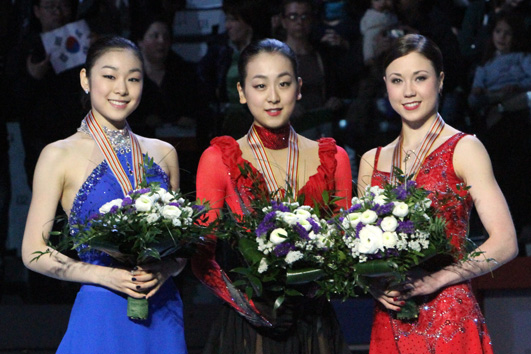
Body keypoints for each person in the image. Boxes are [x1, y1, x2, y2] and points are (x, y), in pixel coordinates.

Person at [21, 36, 188, 353]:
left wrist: (167, 269)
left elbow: (179, 248)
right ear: (86, 79)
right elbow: (32, 251)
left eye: (133, 78)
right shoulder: (59, 154)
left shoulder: (164, 152)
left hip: (162, 308)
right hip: (102, 309)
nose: (122, 88)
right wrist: (104, 275)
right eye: (109, 76)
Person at [357, 34, 518, 353]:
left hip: (448, 316)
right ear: (386, 85)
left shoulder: (464, 148)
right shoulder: (370, 161)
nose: (408, 91)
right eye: (397, 80)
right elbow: (361, 250)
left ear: (440, 80)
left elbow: (505, 242)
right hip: (391, 318)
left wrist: (438, 278)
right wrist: (373, 284)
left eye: (420, 78)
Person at [192, 38, 353, 354]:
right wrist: (251, 306)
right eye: (260, 85)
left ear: (299, 86)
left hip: (314, 326)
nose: (273, 97)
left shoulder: (335, 158)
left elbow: (344, 250)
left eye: (284, 83)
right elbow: (202, 256)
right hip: (248, 329)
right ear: (241, 92)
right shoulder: (218, 158)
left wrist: (311, 292)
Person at [467, 10, 531, 246]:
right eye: (498, 31)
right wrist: (493, 96)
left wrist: (511, 93)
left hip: (519, 119)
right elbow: (474, 98)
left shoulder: (522, 58)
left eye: (508, 33)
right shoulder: (486, 65)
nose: (502, 37)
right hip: (492, 121)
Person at [280, 0, 344, 139]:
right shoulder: (275, 56)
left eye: (304, 17)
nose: (299, 22)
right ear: (284, 21)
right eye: (293, 17)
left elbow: (333, 87)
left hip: (322, 124)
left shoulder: (322, 53)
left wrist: (334, 100)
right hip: (290, 128)